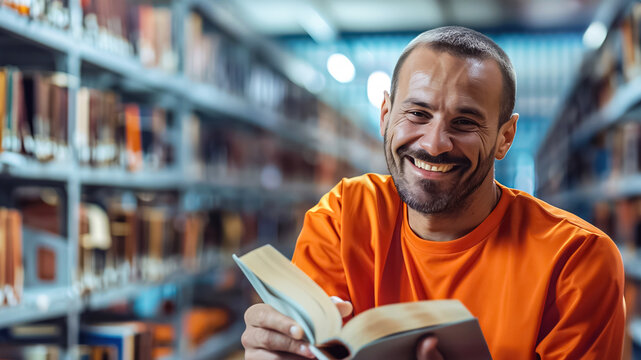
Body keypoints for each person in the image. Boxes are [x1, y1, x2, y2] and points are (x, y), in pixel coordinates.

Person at [241, 26, 625, 359]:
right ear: (385, 115)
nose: (435, 144)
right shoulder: (344, 216)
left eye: (464, 121)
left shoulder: (576, 261)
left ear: (505, 137)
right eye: (418, 114)